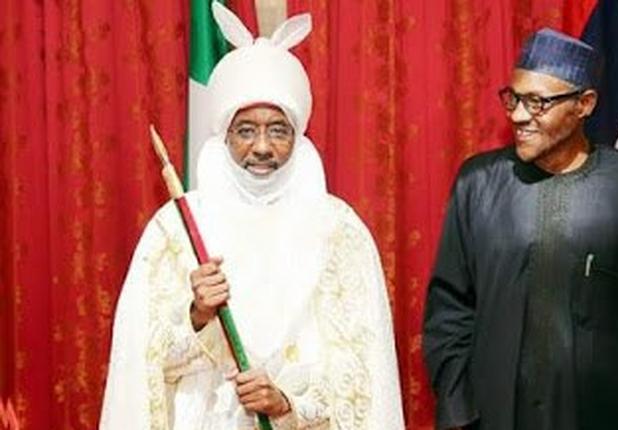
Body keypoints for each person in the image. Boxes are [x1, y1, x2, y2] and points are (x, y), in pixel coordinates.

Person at [100, 3, 404, 429]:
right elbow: (142, 371)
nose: (262, 147)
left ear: (297, 136)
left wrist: (287, 405)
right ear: (224, 134)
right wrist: (196, 315)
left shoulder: (340, 233)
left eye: (277, 129)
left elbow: (359, 382)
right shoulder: (176, 230)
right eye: (246, 130)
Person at [422, 28, 618, 430]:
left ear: (584, 104)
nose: (517, 114)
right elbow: (449, 312)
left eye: (537, 102)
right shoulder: (478, 182)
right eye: (513, 98)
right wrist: (461, 410)